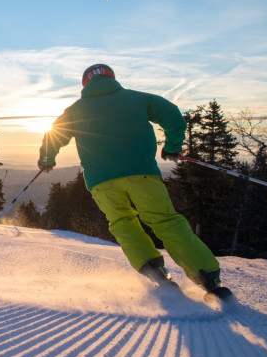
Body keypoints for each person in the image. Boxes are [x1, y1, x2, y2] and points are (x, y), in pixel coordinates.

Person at [38, 63, 232, 299]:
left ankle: (156, 273)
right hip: (143, 173)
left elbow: (54, 134)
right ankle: (209, 280)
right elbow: (173, 116)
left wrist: (47, 159)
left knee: (123, 222)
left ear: (85, 83)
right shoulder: (137, 98)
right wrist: (172, 146)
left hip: (102, 181)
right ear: (112, 78)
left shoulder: (75, 109)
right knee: (166, 222)